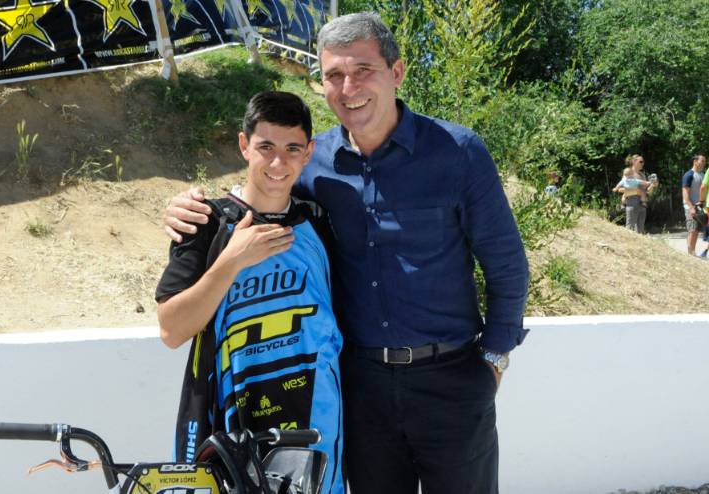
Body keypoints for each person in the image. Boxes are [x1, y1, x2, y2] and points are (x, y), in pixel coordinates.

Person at [163, 12, 529, 494]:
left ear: (396, 72)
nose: (348, 87)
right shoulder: (311, 160)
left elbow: (507, 265)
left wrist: (493, 360)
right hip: (360, 388)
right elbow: (267, 182)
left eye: (362, 70)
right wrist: (189, 207)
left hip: (452, 380)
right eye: (334, 75)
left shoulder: (457, 151)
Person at [155, 91, 345, 494]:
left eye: (292, 149)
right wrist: (231, 262)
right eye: (266, 147)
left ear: (309, 152)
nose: (278, 163)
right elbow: (171, 329)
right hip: (229, 429)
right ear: (244, 145)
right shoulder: (205, 222)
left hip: (315, 427)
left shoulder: (320, 220)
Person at [614, 154, 658, 233]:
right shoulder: (629, 174)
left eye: (643, 162)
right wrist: (637, 191)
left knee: (640, 232)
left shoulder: (642, 175)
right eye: (641, 161)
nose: (643, 163)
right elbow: (620, 189)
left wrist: (653, 185)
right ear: (634, 162)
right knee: (630, 229)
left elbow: (647, 192)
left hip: (642, 206)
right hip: (632, 204)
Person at [682, 154, 707, 256]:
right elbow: (685, 193)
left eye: (705, 161)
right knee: (692, 230)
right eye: (702, 161)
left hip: (700, 207)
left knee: (696, 230)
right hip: (690, 207)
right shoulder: (689, 175)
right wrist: (691, 207)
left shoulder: (703, 174)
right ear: (695, 162)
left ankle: (693, 252)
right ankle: (689, 254)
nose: (704, 163)